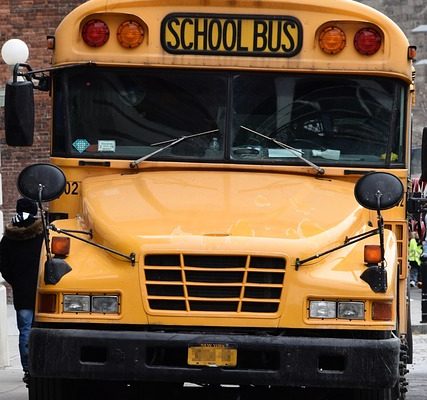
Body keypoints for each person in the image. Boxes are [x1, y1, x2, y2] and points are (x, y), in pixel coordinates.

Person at [0, 198, 43, 384]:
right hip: (44, 290)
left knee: (25, 330)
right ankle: (41, 368)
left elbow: (3, 265)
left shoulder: (8, 237)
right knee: (42, 331)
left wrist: (16, 281)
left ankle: (28, 369)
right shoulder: (43, 235)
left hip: (22, 292)